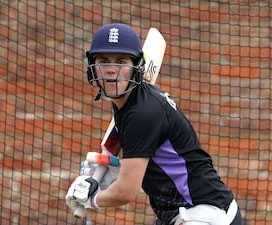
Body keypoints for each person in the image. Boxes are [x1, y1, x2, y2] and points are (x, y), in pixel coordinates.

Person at [66, 23, 242, 225]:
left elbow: (126, 191)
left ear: (136, 67)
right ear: (93, 68)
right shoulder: (130, 102)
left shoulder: (142, 113)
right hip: (180, 212)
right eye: (104, 61)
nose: (112, 70)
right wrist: (109, 172)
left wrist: (90, 199)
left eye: (121, 61)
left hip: (205, 214)